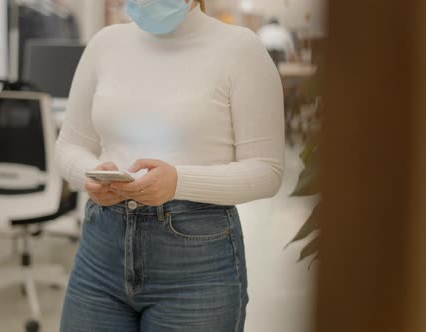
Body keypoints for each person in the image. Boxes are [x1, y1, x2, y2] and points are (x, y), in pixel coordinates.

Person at [56, 0, 284, 331]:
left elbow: (267, 171)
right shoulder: (105, 44)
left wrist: (179, 182)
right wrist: (90, 176)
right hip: (100, 253)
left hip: (197, 264)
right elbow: (69, 146)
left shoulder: (240, 49)